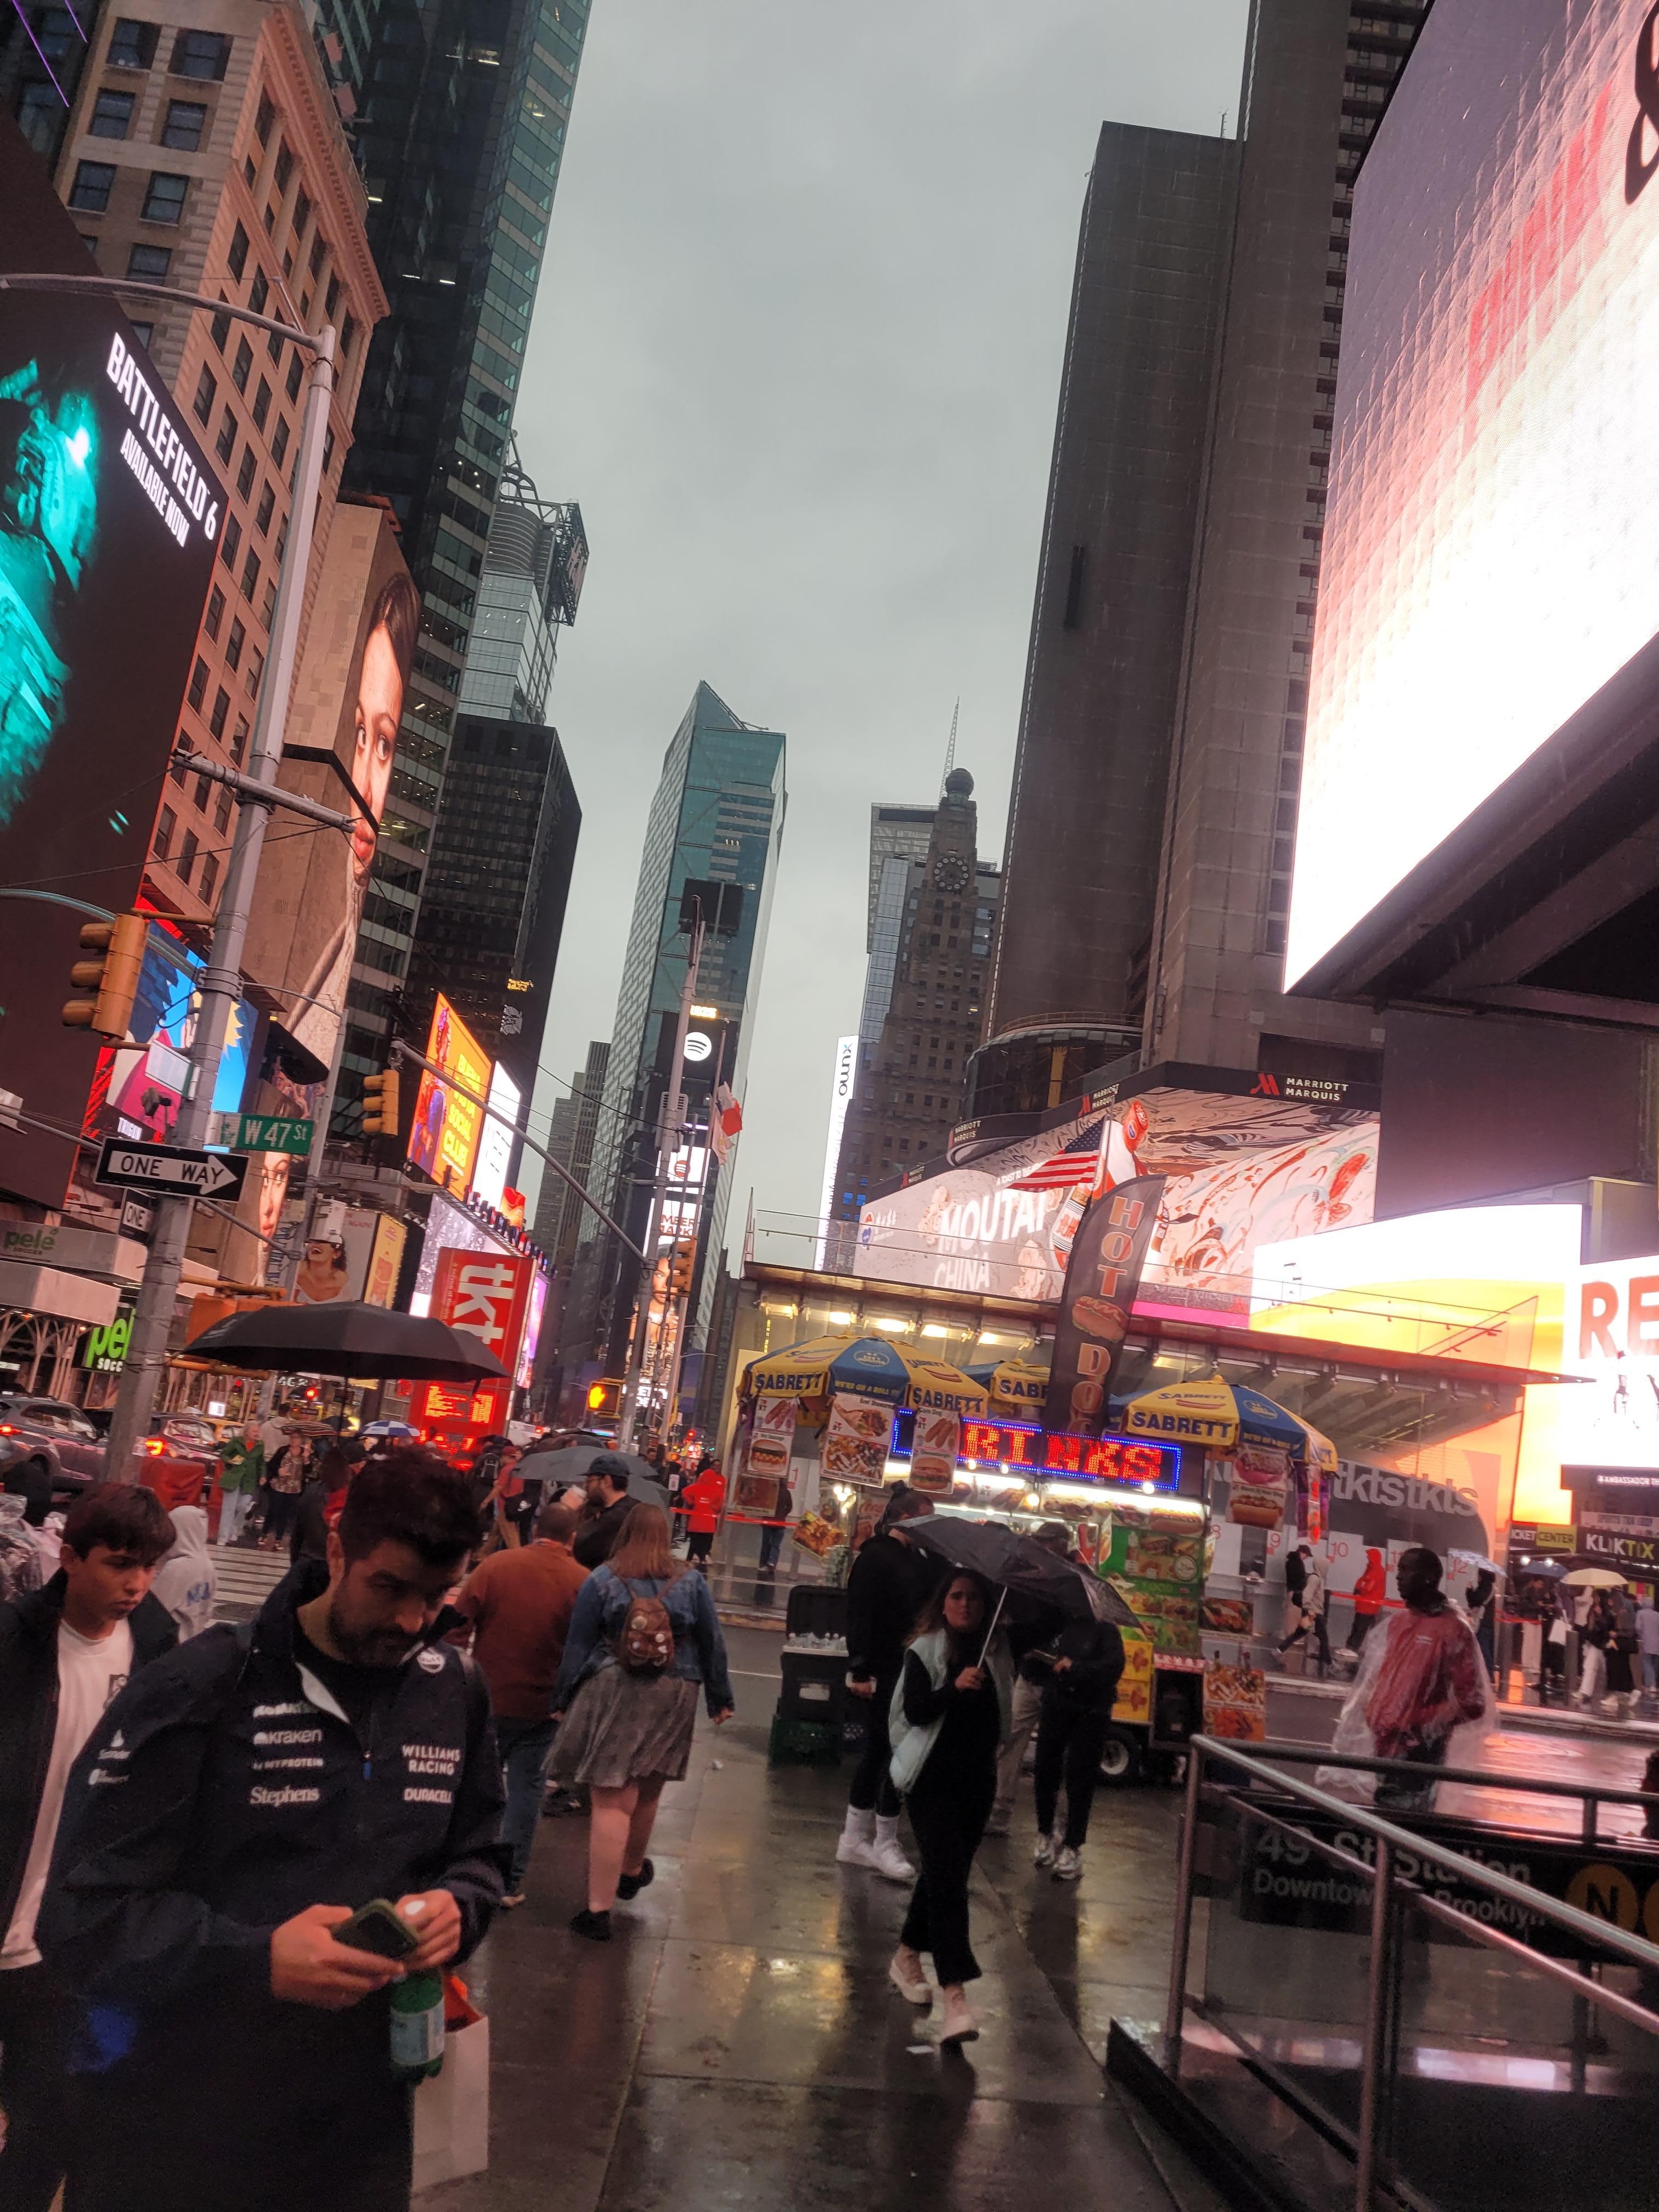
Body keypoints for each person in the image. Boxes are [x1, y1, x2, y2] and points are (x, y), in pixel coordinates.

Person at [41, 1449, 505, 2212]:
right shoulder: (202, 1684)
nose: (413, 1621)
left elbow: (482, 1855)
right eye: (389, 1587)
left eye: (437, 1595)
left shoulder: (454, 1691)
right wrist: (253, 1959)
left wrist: (462, 1905)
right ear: (336, 1551)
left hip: (358, 2135)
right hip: (177, 2130)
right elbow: (80, 1914)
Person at [0, 1485, 176, 2211]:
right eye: (120, 1564)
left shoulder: (157, 1649)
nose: (137, 1584)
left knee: (49, 2130)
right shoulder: (14, 1642)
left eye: (150, 1567)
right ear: (70, 1557)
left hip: (64, 1941)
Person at [551, 1502, 733, 1942]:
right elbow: (712, 1640)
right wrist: (720, 1698)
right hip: (677, 1690)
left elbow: (578, 1645)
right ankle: (631, 1870)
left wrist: (562, 1698)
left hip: (617, 1686)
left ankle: (598, 1911)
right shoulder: (690, 1580)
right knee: (649, 1786)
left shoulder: (603, 1578)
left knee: (612, 1798)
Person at [887, 1569, 1013, 2049]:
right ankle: (956, 1997)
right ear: (943, 1603)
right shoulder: (924, 1652)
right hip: (931, 1782)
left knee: (946, 1875)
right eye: (957, 1597)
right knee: (948, 1882)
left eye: (974, 1598)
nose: (965, 1605)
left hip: (976, 1784)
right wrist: (954, 1687)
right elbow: (915, 1712)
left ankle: (906, 1955)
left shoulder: (996, 1653)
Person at [453, 1499, 588, 1907]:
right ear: (572, 1539)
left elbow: (457, 1626)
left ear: (535, 1531)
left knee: (474, 1787)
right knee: (526, 1793)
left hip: (489, 1697)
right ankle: (508, 1883)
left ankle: (459, 1874)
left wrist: (459, 1674)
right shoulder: (582, 1581)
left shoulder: (497, 1566)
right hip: (544, 1705)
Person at [1327, 1545, 1491, 1810]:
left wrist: (1416, 1722)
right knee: (1384, 1820)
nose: (1398, 1576)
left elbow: (1472, 1702)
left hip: (1419, 1753)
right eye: (1399, 1569)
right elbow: (1384, 1679)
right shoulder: (1398, 1624)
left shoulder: (1453, 1630)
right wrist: (1377, 1713)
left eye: (1406, 1570)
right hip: (1385, 1745)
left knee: (1406, 1825)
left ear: (1428, 1577)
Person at [839, 1487, 935, 1878]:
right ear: (907, 1519)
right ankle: (877, 1840)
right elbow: (859, 1615)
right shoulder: (877, 1557)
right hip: (884, 1670)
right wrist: (861, 1670)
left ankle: (856, 1838)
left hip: (904, 1669)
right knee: (888, 1752)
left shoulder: (918, 1559)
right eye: (926, 1518)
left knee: (885, 1751)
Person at [1029, 1607, 1126, 1881]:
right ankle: (1044, 1832)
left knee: (1080, 1776)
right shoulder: (1055, 1621)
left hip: (1091, 1710)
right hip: (1056, 1703)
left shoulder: (1105, 1628)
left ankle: (1073, 1845)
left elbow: (1114, 1666)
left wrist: (1076, 1667)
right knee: (1045, 1768)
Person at [988, 1522, 1070, 1837]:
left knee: (1054, 1752)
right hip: (1031, 1672)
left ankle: (1057, 1824)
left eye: (1046, 1542)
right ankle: (1000, 1811)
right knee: (1010, 1740)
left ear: (1062, 1545)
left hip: (1059, 1680)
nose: (1040, 1547)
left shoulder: (1072, 1581)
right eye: (1039, 1541)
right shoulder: (1030, 1576)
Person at [149, 1503, 216, 1640]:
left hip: (170, 1640)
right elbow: (208, 1609)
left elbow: (152, 1608)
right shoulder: (207, 1565)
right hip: (193, 1638)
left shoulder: (177, 1568)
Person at [290, 1439, 360, 1568]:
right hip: (333, 1564)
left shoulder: (312, 1491)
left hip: (309, 1560)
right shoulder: (357, 1495)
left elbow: (298, 1533)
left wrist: (296, 1562)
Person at [572, 1453, 636, 1569]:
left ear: (606, 1481)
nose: (586, 1486)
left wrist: (568, 1513)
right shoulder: (635, 1508)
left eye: (590, 1481)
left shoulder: (613, 1519)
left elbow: (579, 1549)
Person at [1277, 1546, 1330, 1675]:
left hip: (1313, 1612)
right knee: (1323, 1638)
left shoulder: (1315, 1578)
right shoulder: (1315, 1579)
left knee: (1299, 1634)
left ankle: (1278, 1650)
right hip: (1314, 1613)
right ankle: (1329, 1663)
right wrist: (1308, 1610)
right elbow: (1307, 1595)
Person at [215, 1423, 264, 1548]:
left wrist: (263, 1476)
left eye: (258, 1432)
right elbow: (224, 1454)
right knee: (228, 1509)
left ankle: (234, 1528)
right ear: (247, 1432)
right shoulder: (236, 1441)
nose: (257, 1434)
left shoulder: (260, 1446)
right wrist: (229, 1461)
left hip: (249, 1480)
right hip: (234, 1478)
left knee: (243, 1506)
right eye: (254, 1431)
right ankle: (223, 1537)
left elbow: (261, 1463)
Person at [261, 1430, 310, 1550]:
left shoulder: (305, 1453)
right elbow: (272, 1465)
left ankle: (279, 1538)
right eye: (292, 1437)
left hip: (294, 1489)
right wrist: (278, 1470)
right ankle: (265, 1534)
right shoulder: (283, 1450)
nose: (293, 1440)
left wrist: (307, 1460)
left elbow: (309, 1471)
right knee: (273, 1510)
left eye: (296, 1438)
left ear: (301, 1440)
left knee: (286, 1514)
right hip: (279, 1486)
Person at [680, 1454, 726, 1568]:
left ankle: (690, 1560)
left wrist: (692, 1502)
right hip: (709, 1523)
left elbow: (684, 1492)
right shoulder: (717, 1490)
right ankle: (702, 1560)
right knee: (706, 1544)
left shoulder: (696, 1487)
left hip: (695, 1522)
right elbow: (719, 1505)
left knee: (693, 1542)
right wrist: (713, 1509)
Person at [1345, 1547, 1387, 1659]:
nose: (1368, 1559)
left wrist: (1360, 1590)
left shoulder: (1377, 1571)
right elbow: (1362, 1581)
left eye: (1369, 1557)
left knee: (1361, 1627)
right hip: (1363, 1605)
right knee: (1357, 1626)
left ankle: (1354, 1648)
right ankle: (1350, 1647)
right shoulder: (1371, 1569)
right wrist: (1358, 1588)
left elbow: (1369, 1586)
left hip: (1369, 1606)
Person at [1578, 1589, 1615, 1708]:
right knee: (1589, 1667)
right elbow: (1590, 1626)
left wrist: (1599, 1616)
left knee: (1606, 1671)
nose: (1595, 1599)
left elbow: (1607, 1629)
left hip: (1604, 1645)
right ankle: (1586, 1692)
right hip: (1594, 1643)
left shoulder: (1609, 1613)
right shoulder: (1593, 1609)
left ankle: (1613, 1695)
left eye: (1597, 1597)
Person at [1463, 1567, 1498, 1678]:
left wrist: (1469, 1590)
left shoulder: (1485, 1588)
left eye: (1479, 1575)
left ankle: (1488, 1675)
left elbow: (1475, 1601)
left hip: (1483, 1622)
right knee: (1484, 1648)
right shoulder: (1489, 1587)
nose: (1478, 1578)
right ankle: (1486, 1674)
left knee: (1483, 1648)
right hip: (1486, 1622)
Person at [1638, 1589, 1659, 1695]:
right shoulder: (1658, 1615)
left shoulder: (1640, 1613)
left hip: (1646, 1642)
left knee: (1647, 1663)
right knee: (1655, 1664)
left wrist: (1641, 1636)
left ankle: (1650, 1685)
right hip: (1657, 1644)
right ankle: (1652, 1684)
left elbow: (1638, 1627)